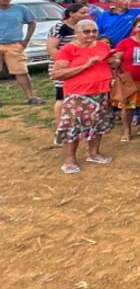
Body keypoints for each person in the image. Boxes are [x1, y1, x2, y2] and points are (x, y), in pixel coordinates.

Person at [50, 19, 120, 174]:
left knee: (98, 124)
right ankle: (69, 159)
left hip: (102, 91)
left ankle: (93, 153)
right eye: (86, 31)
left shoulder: (102, 46)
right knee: (73, 126)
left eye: (94, 31)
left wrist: (114, 62)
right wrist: (85, 66)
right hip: (78, 94)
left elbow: (112, 63)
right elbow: (56, 74)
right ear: (77, 33)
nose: (91, 34)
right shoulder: (68, 50)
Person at [113, 16, 140, 141]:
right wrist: (115, 62)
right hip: (129, 80)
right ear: (134, 28)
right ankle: (127, 131)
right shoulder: (125, 42)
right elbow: (117, 57)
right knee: (127, 106)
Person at [0, 0, 42, 104]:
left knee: (21, 72)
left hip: (14, 44)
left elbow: (32, 23)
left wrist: (26, 40)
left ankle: (30, 97)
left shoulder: (21, 9)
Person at [46, 3, 89, 118]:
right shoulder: (60, 27)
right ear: (71, 14)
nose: (86, 15)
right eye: (82, 12)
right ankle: (60, 124)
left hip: (78, 66)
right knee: (61, 96)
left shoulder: (82, 27)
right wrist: (65, 63)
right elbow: (51, 48)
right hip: (62, 66)